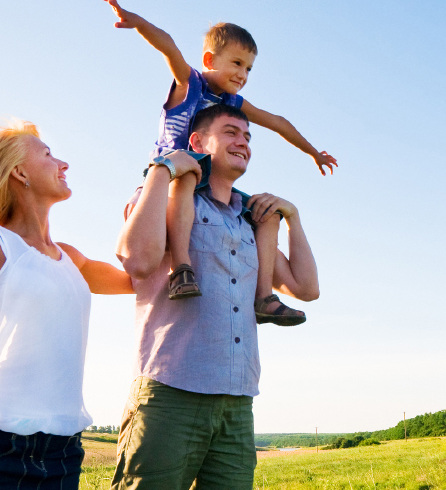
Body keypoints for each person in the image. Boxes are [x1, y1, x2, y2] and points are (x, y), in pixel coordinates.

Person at [0, 119, 145, 490]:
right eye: (48, 154)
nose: (63, 164)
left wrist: (151, 201)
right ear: (19, 171)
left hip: (61, 454)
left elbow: (143, 279)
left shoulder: (71, 259)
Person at [111, 104, 321, 490]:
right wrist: (163, 170)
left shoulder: (251, 221)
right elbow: (137, 260)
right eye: (230, 132)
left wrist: (293, 216)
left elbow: (307, 289)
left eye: (247, 136)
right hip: (171, 393)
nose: (242, 141)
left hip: (238, 402)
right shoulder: (166, 196)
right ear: (197, 142)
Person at [101, 0, 331, 326]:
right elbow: (169, 45)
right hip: (174, 170)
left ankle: (264, 296)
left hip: (208, 180)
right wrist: (136, 22)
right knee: (189, 173)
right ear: (210, 60)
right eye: (237, 63)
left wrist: (312, 152)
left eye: (249, 68)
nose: (243, 74)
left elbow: (277, 122)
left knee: (265, 214)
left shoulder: (234, 103)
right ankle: (182, 268)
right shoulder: (190, 82)